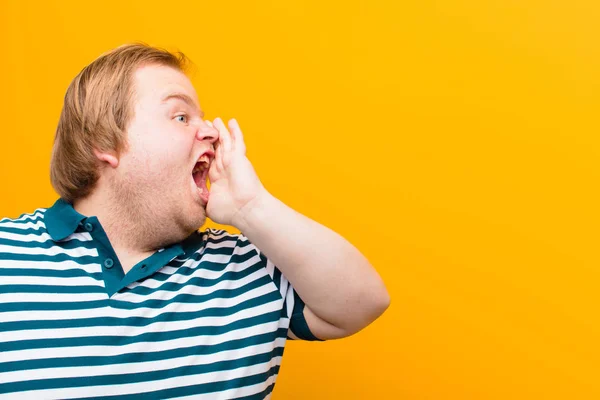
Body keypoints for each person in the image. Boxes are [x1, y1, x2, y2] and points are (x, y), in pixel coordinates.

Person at [0, 43, 390, 399]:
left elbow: (363, 302)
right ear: (105, 142)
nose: (210, 130)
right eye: (181, 116)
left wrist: (250, 206)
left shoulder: (248, 267)